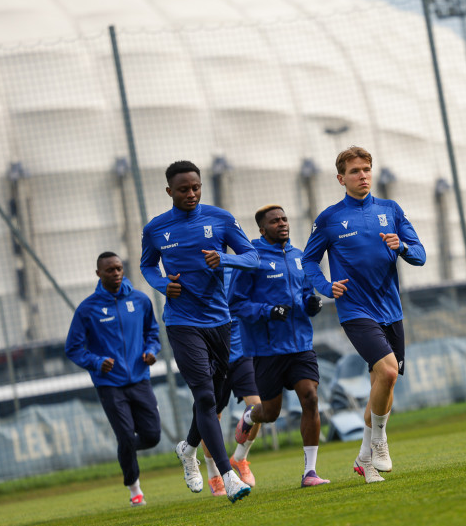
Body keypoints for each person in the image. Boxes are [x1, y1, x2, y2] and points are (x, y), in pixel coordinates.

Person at [301, 146, 426, 484]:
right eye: (355, 171)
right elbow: (308, 260)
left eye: (367, 169)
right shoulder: (329, 219)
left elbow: (420, 254)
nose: (363, 176)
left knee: (383, 384)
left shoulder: (390, 210)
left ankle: (364, 459)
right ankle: (380, 442)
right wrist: (325, 287)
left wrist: (401, 247)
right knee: (388, 371)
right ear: (341, 178)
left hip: (391, 309)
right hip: (355, 310)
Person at [140, 160, 259, 503]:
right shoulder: (156, 229)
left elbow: (252, 257)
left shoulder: (220, 218)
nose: (191, 194)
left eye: (196, 187)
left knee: (216, 398)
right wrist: (163, 285)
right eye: (183, 189)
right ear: (169, 191)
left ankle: (188, 448)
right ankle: (227, 477)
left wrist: (225, 259)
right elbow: (147, 265)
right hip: (181, 322)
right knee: (206, 397)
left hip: (220, 321)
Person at [232, 204, 330, 488]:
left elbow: (304, 294)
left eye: (284, 219)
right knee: (270, 413)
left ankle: (310, 472)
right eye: (275, 221)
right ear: (262, 229)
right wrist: (268, 311)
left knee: (310, 398)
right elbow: (236, 303)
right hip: (267, 349)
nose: (282, 223)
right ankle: (251, 415)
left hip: (300, 345)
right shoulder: (251, 259)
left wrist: (311, 304)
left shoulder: (299, 257)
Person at [65, 252, 161, 508]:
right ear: (99, 274)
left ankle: (125, 448)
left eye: (119, 268)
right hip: (109, 385)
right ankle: (135, 490)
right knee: (126, 436)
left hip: (140, 379)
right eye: (110, 270)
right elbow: (73, 348)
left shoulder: (140, 300)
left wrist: (151, 351)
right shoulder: (87, 309)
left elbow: (152, 333)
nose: (116, 273)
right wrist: (97, 362)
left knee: (152, 436)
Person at [202, 284, 261, 497]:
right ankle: (214, 475)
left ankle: (239, 458)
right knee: (211, 416)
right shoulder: (198, 275)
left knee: (258, 407)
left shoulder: (238, 273)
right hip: (212, 360)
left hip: (241, 356)